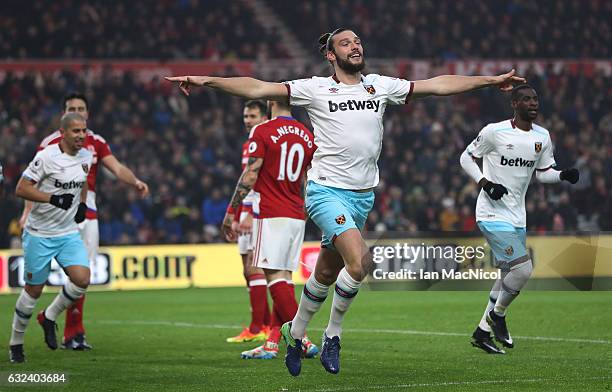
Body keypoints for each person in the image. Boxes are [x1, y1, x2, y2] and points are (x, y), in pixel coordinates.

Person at [166, 28, 524, 376]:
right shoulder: (315, 88)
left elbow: (437, 85)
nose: (355, 46)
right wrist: (206, 80)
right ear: (330, 54)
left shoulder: (379, 86)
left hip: (362, 196)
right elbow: (257, 87)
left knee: (325, 273)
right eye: (345, 43)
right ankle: (334, 334)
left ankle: (295, 331)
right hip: (324, 190)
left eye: (357, 41)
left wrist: (489, 81)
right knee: (360, 262)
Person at [20, 93, 149, 350]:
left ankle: (72, 331)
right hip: (54, 215)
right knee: (57, 277)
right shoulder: (49, 144)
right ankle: (67, 330)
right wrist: (27, 212)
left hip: (86, 212)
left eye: (81, 108)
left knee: (83, 275)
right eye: (72, 108)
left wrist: (135, 181)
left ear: (87, 114)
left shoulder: (97, 143)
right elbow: (30, 180)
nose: (78, 111)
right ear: (64, 115)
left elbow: (118, 168)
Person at [460, 84, 579, 354]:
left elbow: (543, 172)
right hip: (491, 212)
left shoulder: (542, 137)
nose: (532, 103)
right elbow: (466, 158)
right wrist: (485, 183)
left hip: (517, 215)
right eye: (525, 99)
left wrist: (562, 175)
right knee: (522, 270)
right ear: (514, 104)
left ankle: (482, 332)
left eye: (535, 99)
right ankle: (498, 315)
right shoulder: (495, 132)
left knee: (507, 275)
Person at [222, 99, 318, 360]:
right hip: (297, 213)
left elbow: (251, 175)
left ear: (270, 102)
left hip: (272, 212)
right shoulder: (307, 135)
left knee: (274, 279)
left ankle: (303, 338)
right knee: (284, 279)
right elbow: (310, 178)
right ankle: (272, 343)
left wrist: (231, 211)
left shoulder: (262, 131)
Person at [9, 113, 93, 363]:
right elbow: (21, 188)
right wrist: (52, 198)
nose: (81, 135)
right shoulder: (46, 157)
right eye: (76, 131)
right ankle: (16, 343)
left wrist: (81, 205)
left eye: (83, 131)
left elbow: (83, 181)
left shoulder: (86, 156)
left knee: (82, 279)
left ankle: (49, 316)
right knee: (34, 290)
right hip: (39, 234)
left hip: (67, 233)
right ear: (63, 133)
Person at [225, 100, 272, 343]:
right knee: (247, 269)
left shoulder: (263, 140)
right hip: (246, 209)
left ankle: (259, 328)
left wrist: (249, 215)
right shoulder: (249, 144)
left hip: (258, 210)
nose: (247, 120)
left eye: (252, 115)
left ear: (264, 117)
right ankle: (262, 325)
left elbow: (257, 183)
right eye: (245, 115)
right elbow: (246, 182)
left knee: (255, 268)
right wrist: (238, 211)